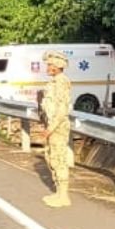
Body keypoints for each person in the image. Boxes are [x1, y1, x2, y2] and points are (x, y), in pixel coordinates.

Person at [39, 50, 73, 208]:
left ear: (58, 66)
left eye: (50, 64)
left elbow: (62, 109)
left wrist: (51, 128)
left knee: (59, 159)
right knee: (51, 157)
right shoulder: (53, 82)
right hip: (52, 125)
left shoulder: (61, 82)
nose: (48, 67)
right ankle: (59, 192)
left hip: (58, 127)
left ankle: (63, 195)